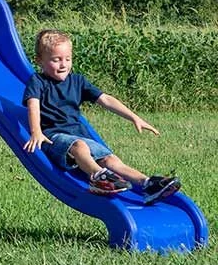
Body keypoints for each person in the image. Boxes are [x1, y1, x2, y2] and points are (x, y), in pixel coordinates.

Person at [22, 29, 181, 203]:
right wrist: (36, 132)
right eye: (56, 59)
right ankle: (98, 177)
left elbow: (105, 99)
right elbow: (33, 104)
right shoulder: (38, 81)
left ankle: (147, 183)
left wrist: (134, 117)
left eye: (68, 59)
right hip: (53, 137)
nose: (63, 65)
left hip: (79, 135)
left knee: (110, 159)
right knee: (79, 146)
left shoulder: (78, 81)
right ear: (39, 61)